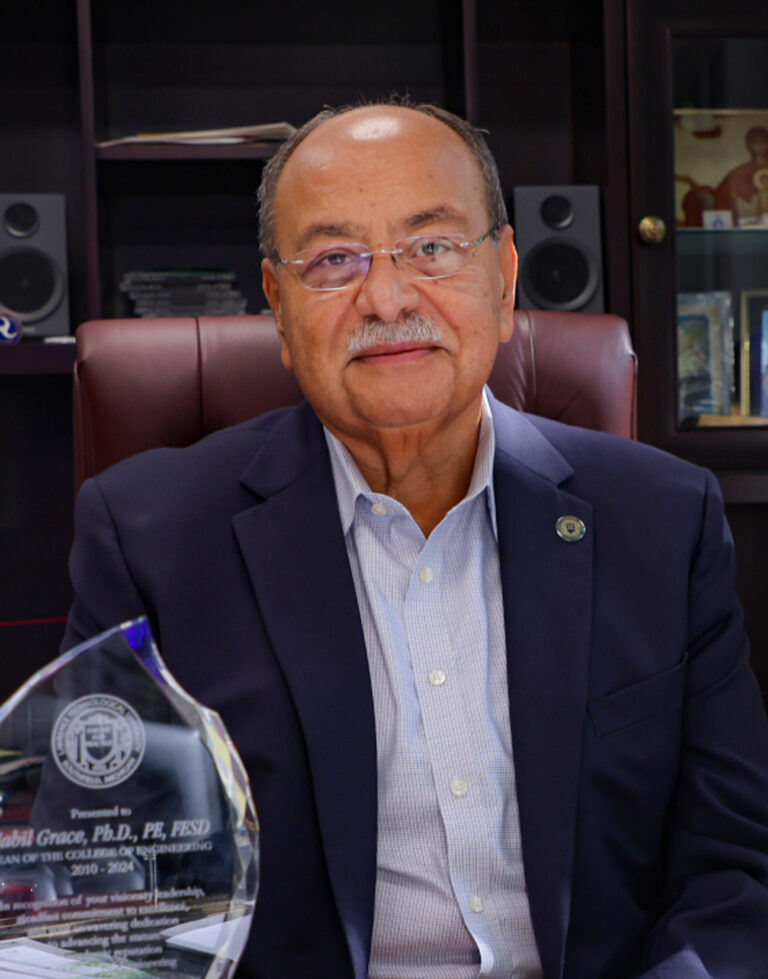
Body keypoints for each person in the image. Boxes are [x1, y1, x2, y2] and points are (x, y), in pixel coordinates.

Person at [64, 99, 768, 978]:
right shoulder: (149, 540)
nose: (388, 297)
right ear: (278, 307)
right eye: (334, 260)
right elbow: (103, 887)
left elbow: (733, 865)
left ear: (504, 278)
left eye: (432, 247)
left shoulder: (661, 519)